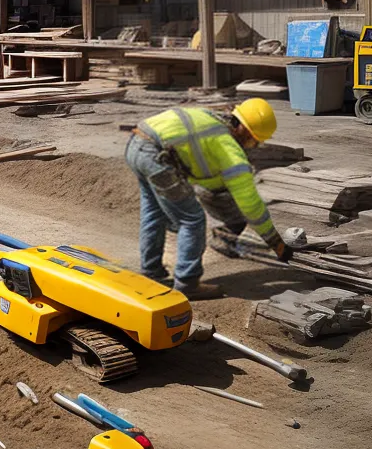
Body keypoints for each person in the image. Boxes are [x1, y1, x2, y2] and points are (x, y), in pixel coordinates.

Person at [124, 98, 293, 300]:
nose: (251, 146)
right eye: (253, 141)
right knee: (192, 219)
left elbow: (206, 175)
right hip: (155, 158)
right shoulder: (229, 150)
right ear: (244, 130)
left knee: (154, 212)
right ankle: (187, 283)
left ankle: (152, 273)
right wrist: (275, 242)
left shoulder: (212, 120)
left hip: (137, 144)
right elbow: (251, 206)